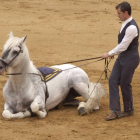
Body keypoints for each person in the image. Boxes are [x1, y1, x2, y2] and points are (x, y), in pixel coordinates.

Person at [102, 1, 139, 121]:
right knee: (113, 79)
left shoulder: (132, 27)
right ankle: (116, 110)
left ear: (126, 13)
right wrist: (114, 53)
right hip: (123, 56)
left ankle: (128, 110)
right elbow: (122, 46)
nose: (118, 15)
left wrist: (110, 53)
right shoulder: (125, 23)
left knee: (124, 83)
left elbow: (123, 45)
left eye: (119, 13)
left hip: (131, 58)